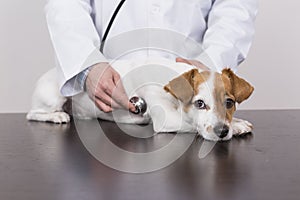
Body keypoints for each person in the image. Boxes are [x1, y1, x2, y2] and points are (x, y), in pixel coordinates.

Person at [45, 0, 258, 113]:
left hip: (192, 103)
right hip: (108, 99)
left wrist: (211, 65)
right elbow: (66, 3)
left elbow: (235, 6)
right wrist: (87, 65)